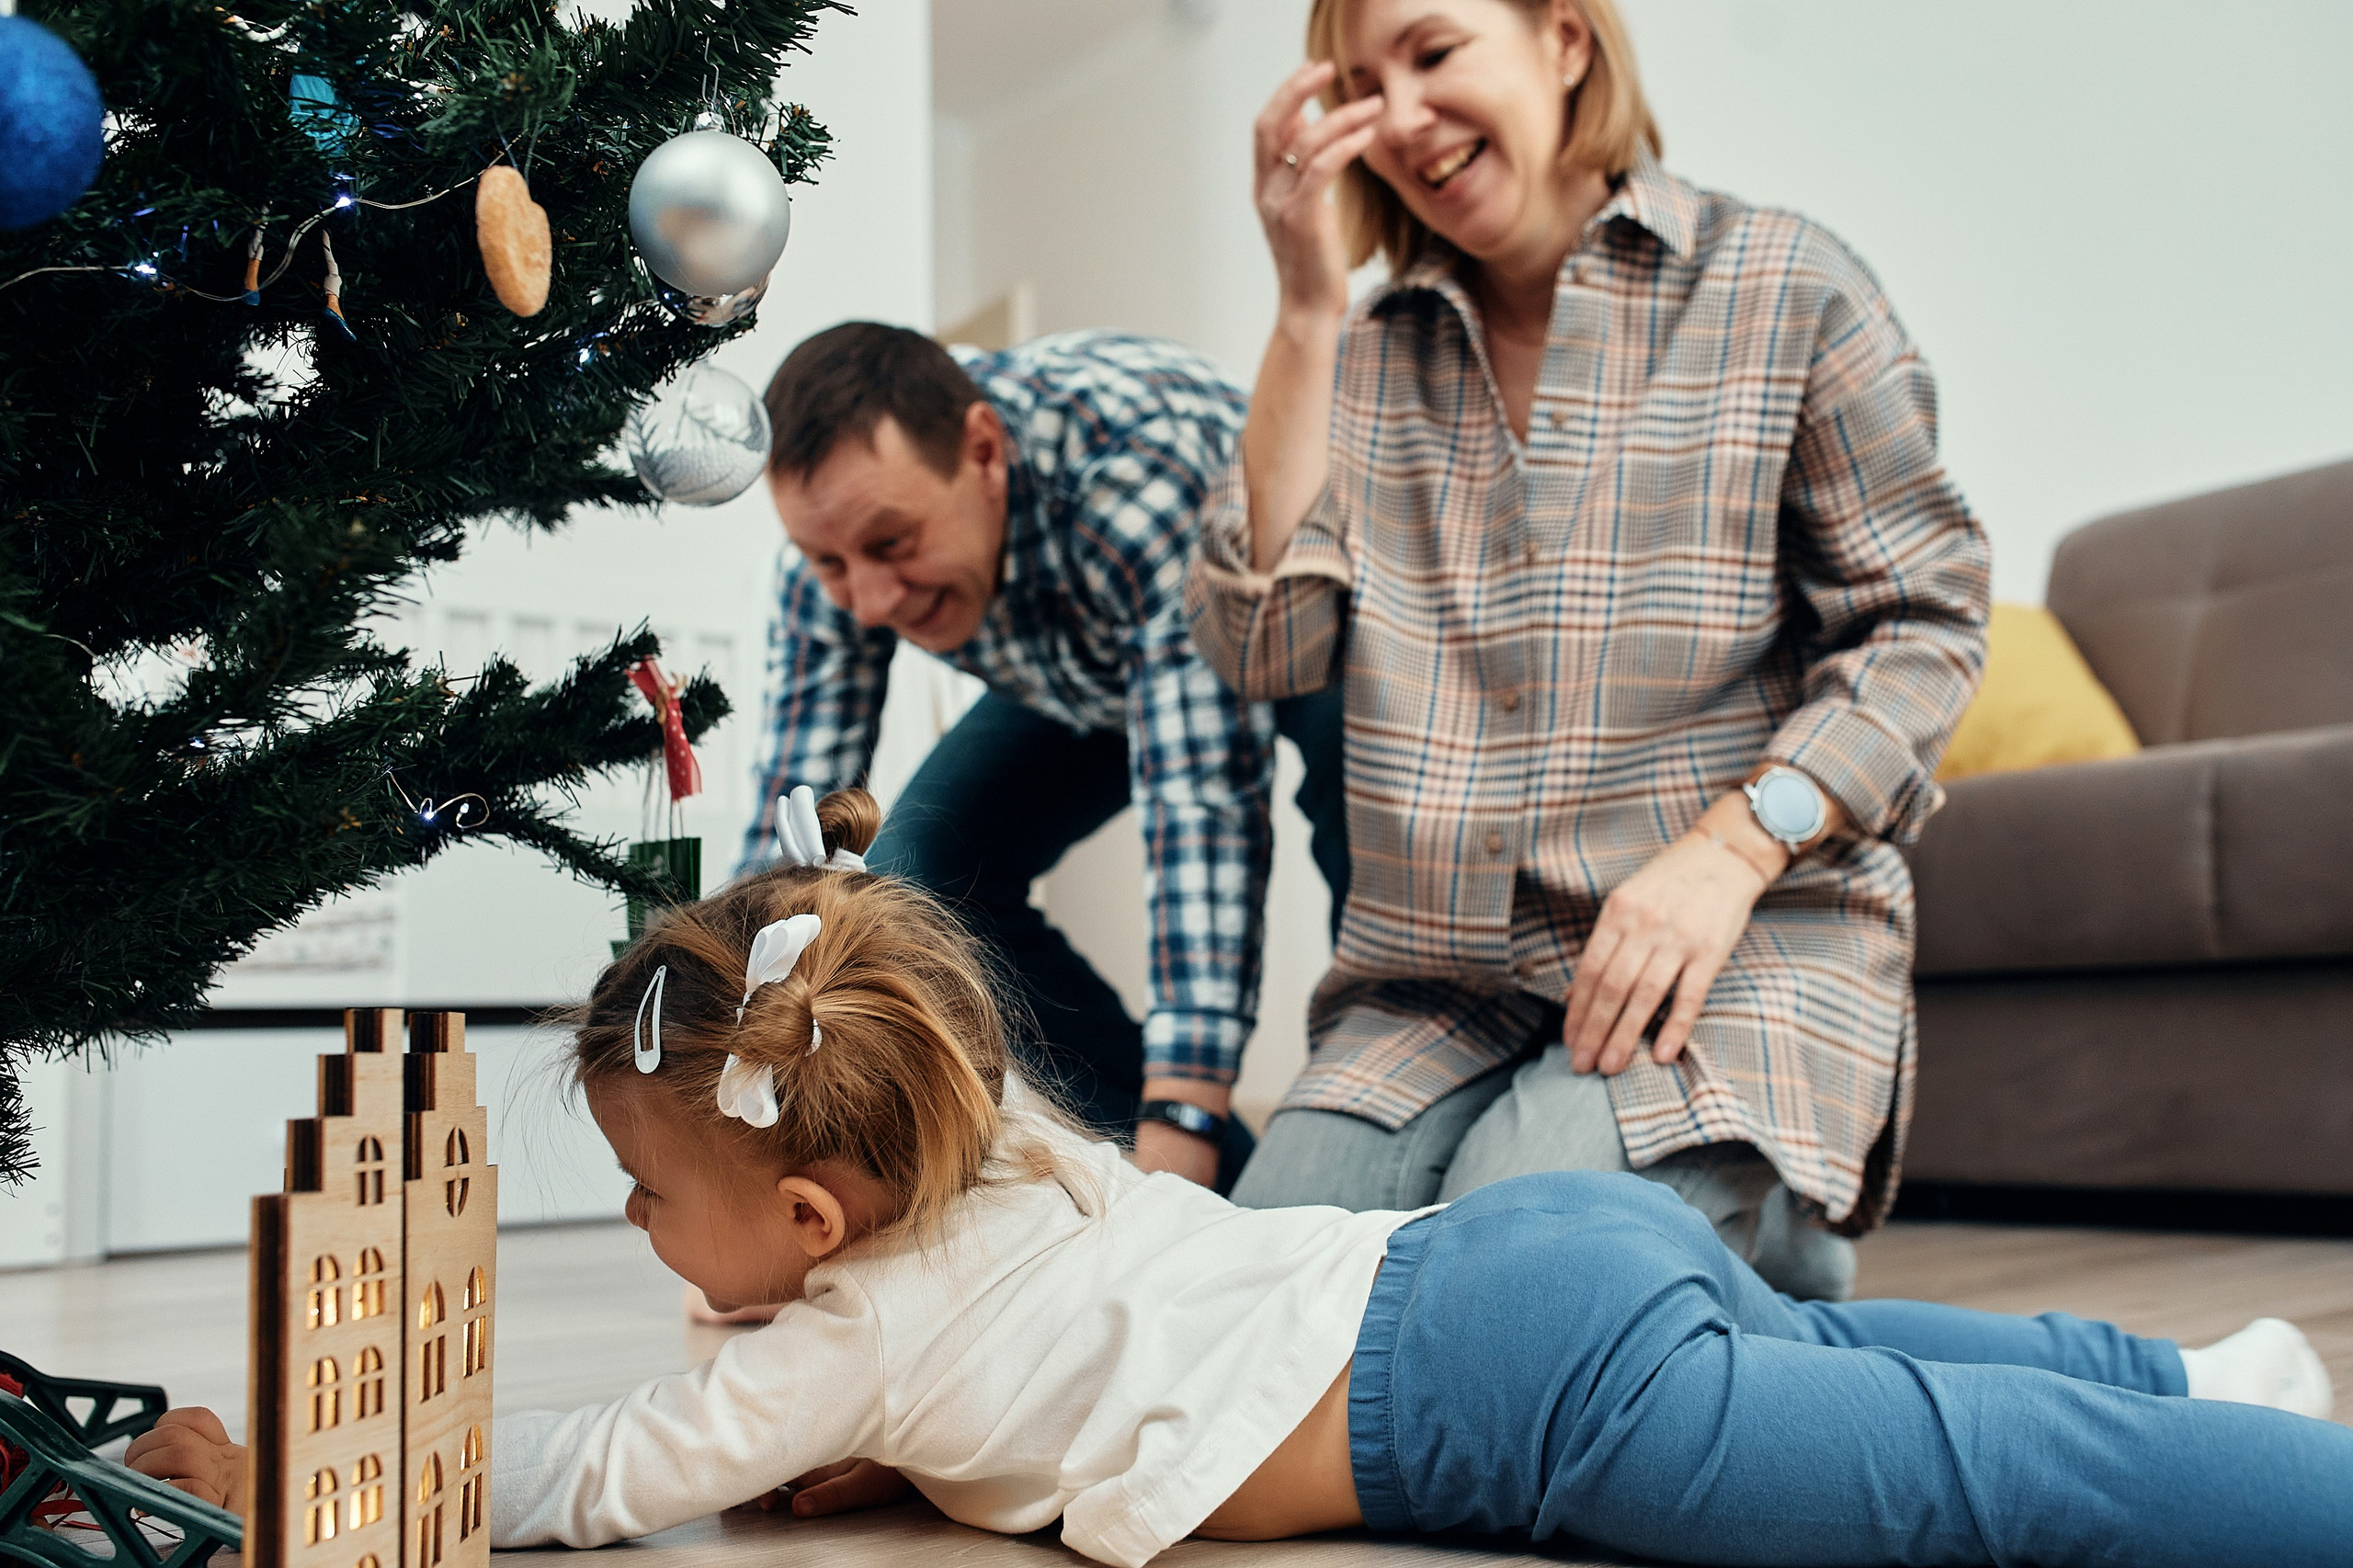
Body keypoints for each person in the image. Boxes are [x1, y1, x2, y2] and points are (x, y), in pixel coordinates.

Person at [126, 794, 2347, 1568]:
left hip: (1509, 1388)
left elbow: (592, 1469)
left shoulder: (841, 1329)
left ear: (810, 1219)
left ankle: (2284, 1494)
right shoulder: (999, 1160)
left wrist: (290, 1492)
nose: (629, 1220)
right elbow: (979, 1379)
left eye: (638, 1184)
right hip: (1500, 1254)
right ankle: (2204, 1370)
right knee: (1846, 1355)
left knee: (1948, 1497)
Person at [1186, 0, 1992, 1297]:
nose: (1397, 117)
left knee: (1493, 1298)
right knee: (1243, 1308)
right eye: (1357, 83)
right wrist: (1302, 304)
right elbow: (1265, 643)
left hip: (1729, 948)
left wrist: (1733, 846)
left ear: (1566, 42)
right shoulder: (1364, 357)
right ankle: (1739, 1269)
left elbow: (1926, 622)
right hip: (1438, 995)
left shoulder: (1789, 286)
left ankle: (1755, 1233)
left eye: (1436, 54)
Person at [739, 323, 1348, 1194]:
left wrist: (1183, 1117)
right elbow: (791, 834)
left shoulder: (1135, 480)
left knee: (1362, 815)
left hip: (1290, 607)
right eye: (829, 563)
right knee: (921, 877)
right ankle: (1219, 1199)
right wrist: (748, 1153)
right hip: (1093, 670)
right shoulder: (837, 559)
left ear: (983, 452)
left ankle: (1361, 1121)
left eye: (894, 546)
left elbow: (1201, 809)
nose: (867, 602)